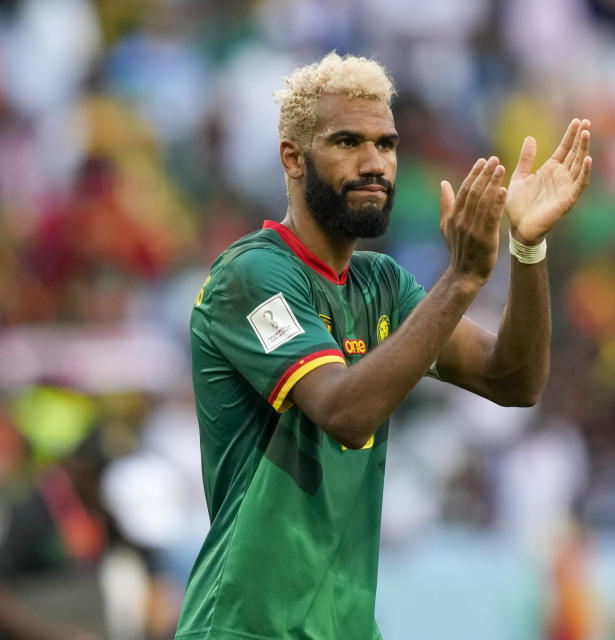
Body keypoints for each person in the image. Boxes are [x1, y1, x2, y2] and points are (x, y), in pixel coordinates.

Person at [175, 51, 591, 639]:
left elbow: (512, 381)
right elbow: (346, 412)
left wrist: (526, 249)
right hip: (248, 626)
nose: (375, 164)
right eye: (348, 142)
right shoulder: (251, 277)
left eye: (386, 144)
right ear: (293, 157)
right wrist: (462, 280)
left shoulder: (383, 285)